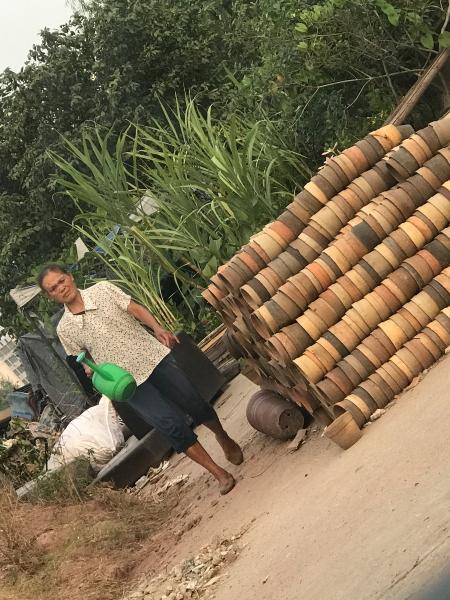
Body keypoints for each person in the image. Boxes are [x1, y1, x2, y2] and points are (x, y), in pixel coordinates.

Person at [38, 264, 243, 494]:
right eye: (53, 288)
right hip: (127, 384)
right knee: (170, 426)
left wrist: (157, 328)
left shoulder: (102, 290)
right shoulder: (66, 329)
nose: (61, 288)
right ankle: (218, 473)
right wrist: (92, 370)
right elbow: (82, 359)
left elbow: (134, 308)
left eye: (61, 281)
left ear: (70, 277)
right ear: (50, 296)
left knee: (194, 403)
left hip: (153, 359)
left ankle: (222, 436)